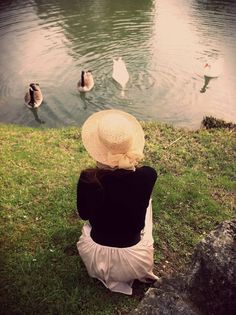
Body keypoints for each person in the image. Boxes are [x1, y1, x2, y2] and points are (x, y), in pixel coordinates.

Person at [76, 109, 158, 295]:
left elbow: (83, 214)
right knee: (147, 202)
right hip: (136, 262)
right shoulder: (148, 175)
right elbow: (132, 182)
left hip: (96, 260)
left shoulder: (88, 179)